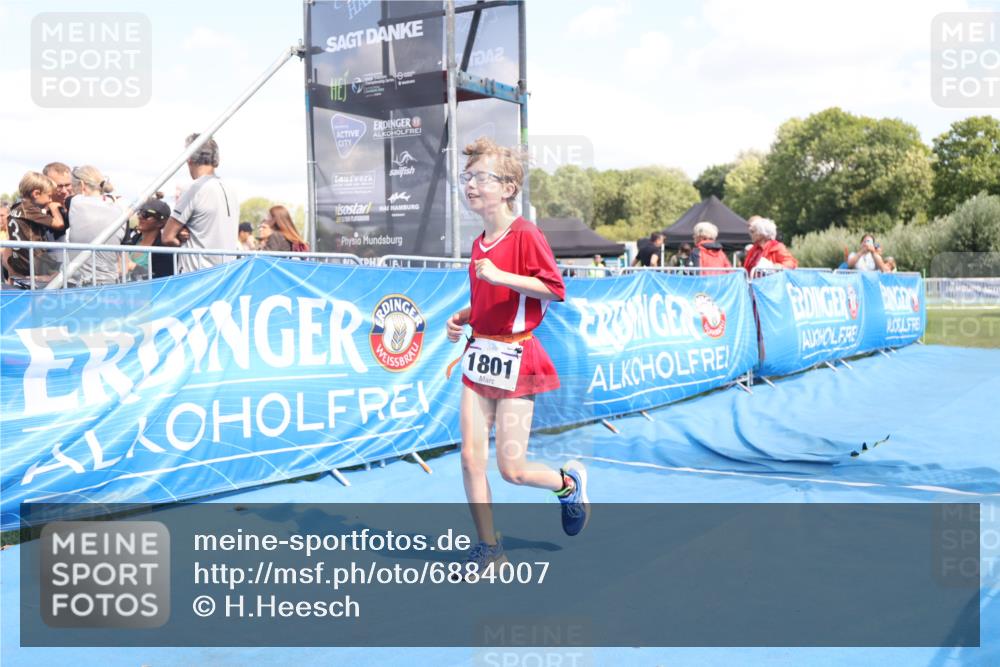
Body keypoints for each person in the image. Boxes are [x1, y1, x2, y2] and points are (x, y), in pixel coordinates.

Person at [445, 137, 589, 571]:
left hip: (516, 358)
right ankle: (490, 548)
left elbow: (554, 290)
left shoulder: (526, 234)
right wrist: (465, 315)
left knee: (513, 469)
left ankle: (568, 484)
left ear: (507, 187)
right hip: (480, 357)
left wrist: (504, 275)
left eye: (480, 178)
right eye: (466, 177)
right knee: (471, 458)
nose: (470, 185)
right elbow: (492, 301)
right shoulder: (478, 243)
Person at [162, 133, 240, 273]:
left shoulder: (193, 189)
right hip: (227, 275)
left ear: (189, 159)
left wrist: (181, 239)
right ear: (216, 160)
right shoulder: (232, 190)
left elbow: (167, 237)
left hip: (197, 277)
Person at [64, 165, 125, 285]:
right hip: (109, 282)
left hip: (78, 282)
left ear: (81, 185)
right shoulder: (120, 209)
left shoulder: (73, 201)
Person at [6, 171, 64, 282]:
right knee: (61, 274)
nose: (50, 200)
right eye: (49, 196)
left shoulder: (16, 207)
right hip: (33, 262)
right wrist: (54, 208)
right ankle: (40, 278)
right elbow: (59, 224)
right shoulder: (29, 209)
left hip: (18, 261)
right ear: (36, 194)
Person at [123, 198, 175, 279]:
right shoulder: (134, 239)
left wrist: (133, 267)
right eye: (140, 212)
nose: (140, 217)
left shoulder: (164, 250)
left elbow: (162, 280)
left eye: (145, 214)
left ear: (160, 223)